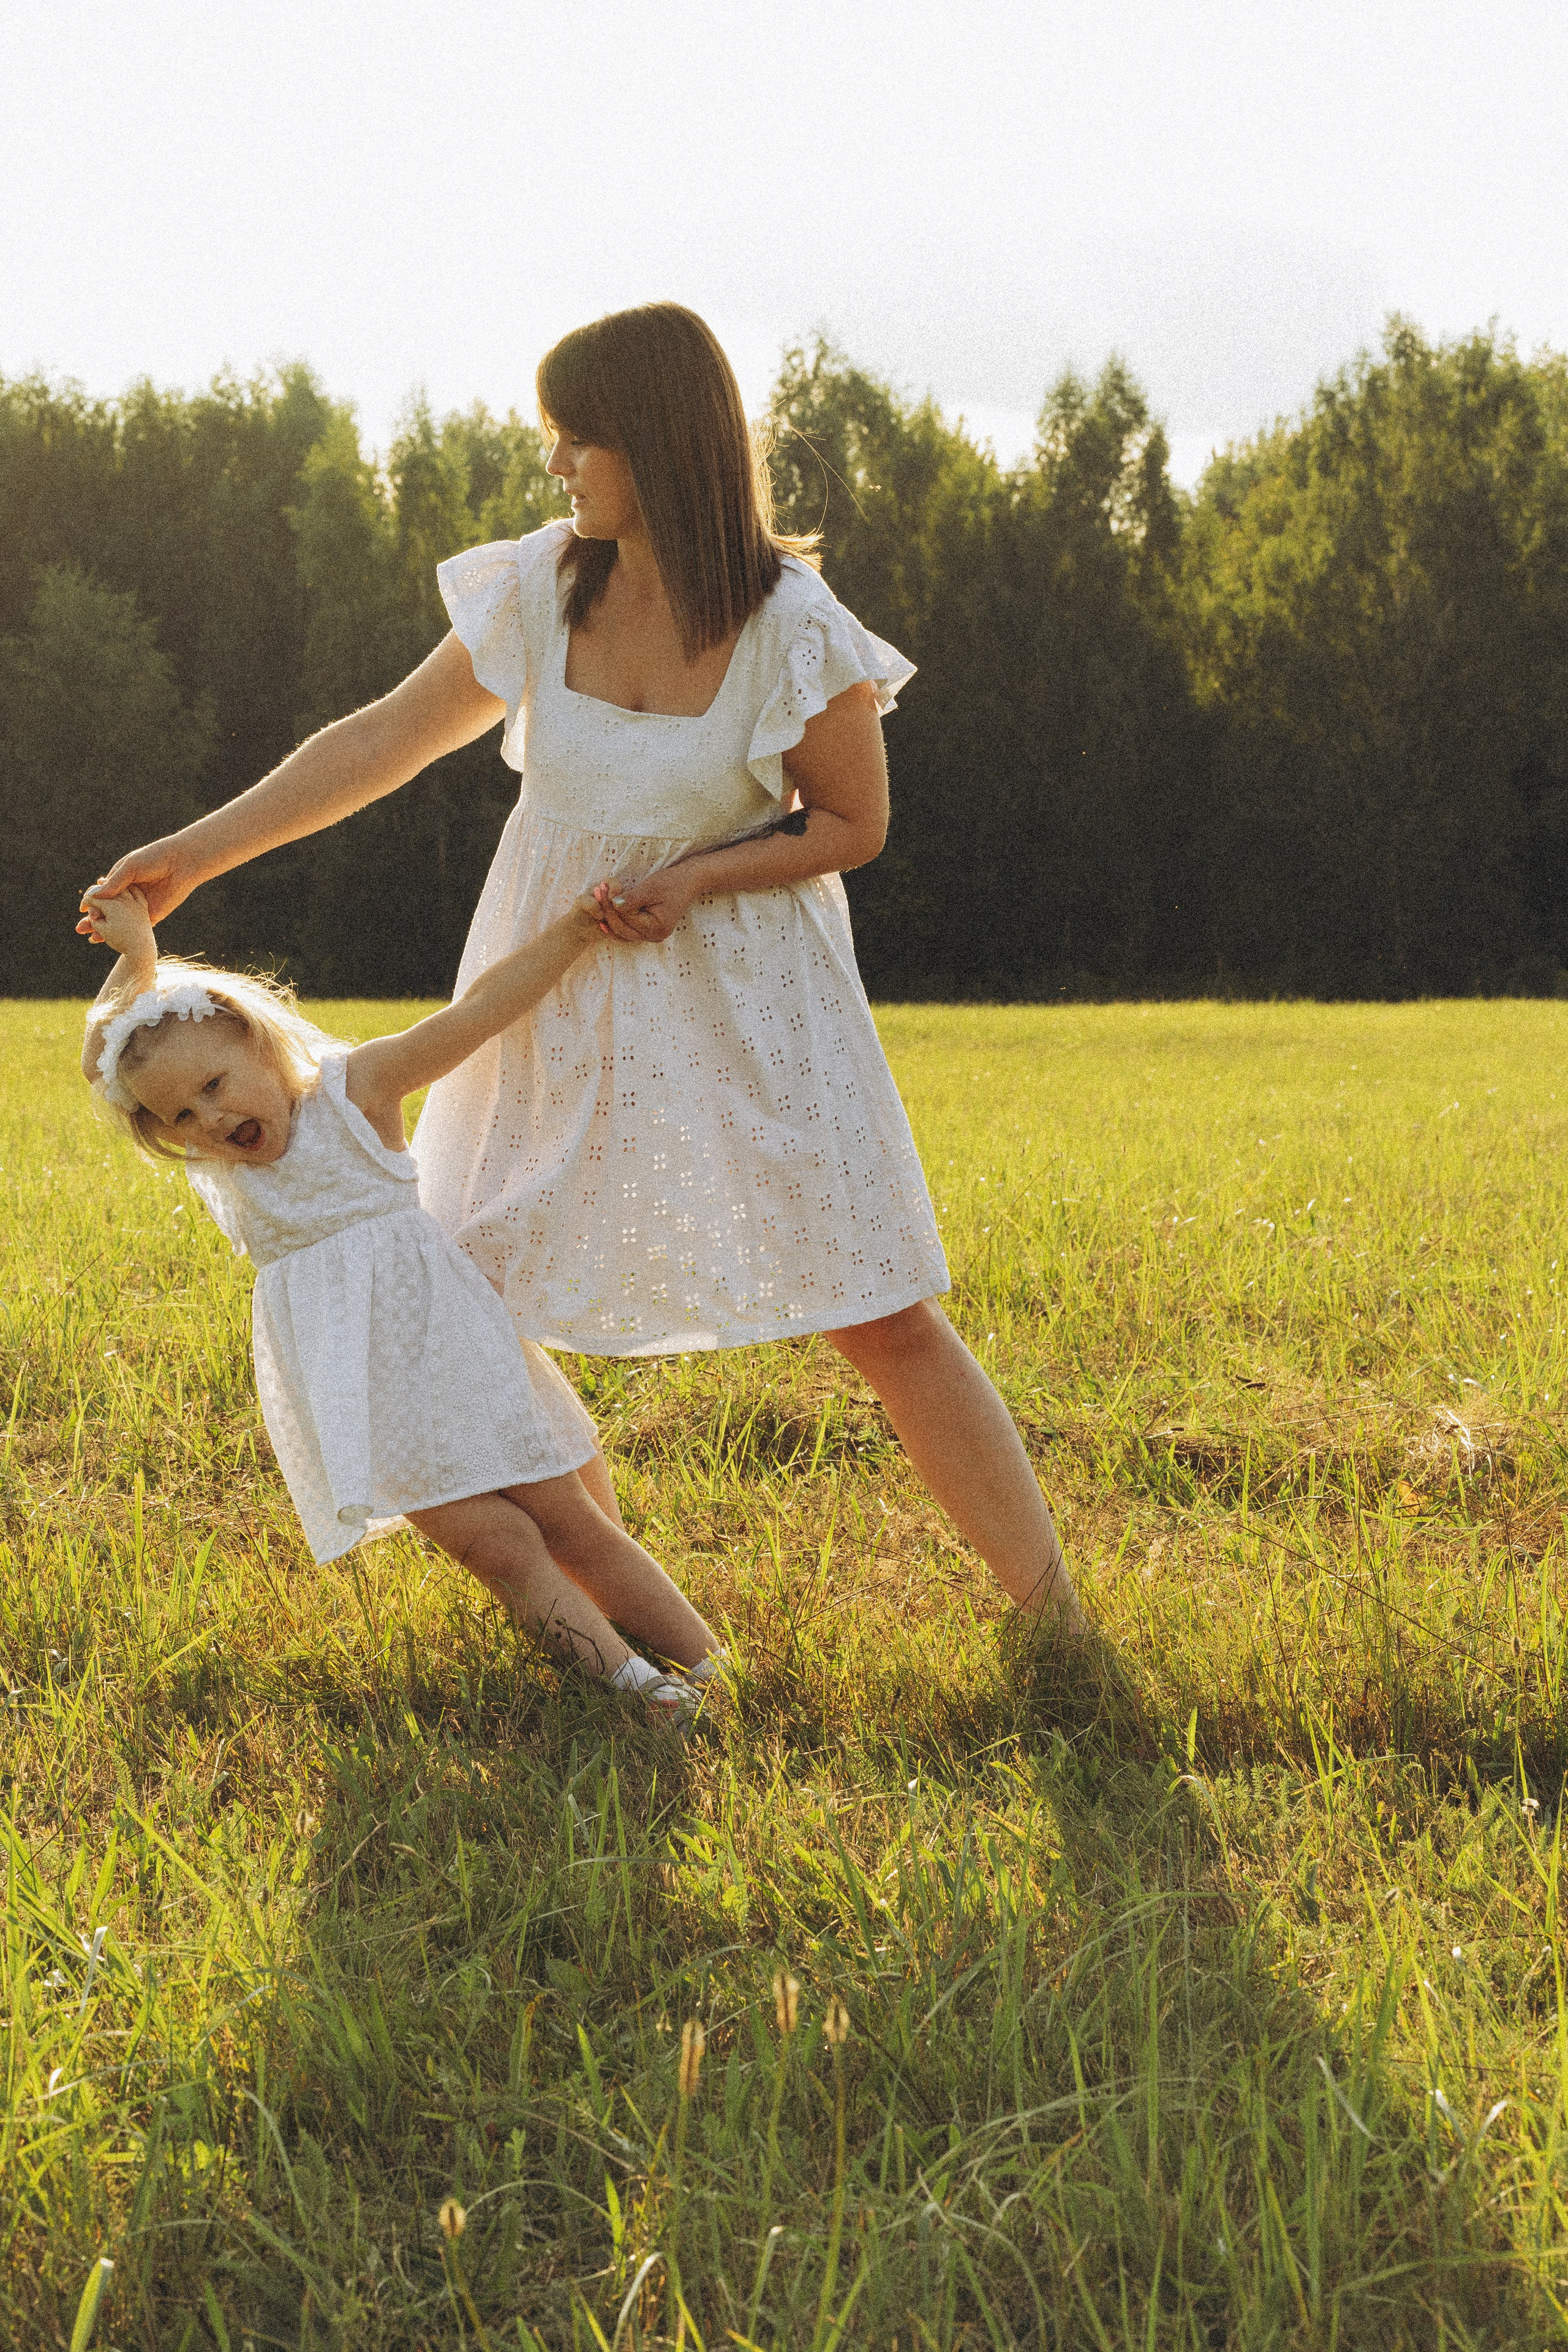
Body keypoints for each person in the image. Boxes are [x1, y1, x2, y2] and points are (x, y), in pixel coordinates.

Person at [81, 301, 1086, 1637]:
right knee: (478, 1284)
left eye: (576, 441)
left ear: (655, 443)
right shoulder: (544, 584)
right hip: (542, 982)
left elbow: (851, 826)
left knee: (875, 1304)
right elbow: (384, 739)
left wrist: (695, 876)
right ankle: (624, 1629)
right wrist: (196, 855)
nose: (557, 467)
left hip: (743, 997)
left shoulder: (791, 622)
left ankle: (1052, 1618)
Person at [78, 883, 722, 1722]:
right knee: (498, 1547)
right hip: (366, 1396)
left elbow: (481, 1013)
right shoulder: (222, 1167)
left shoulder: (353, 1095)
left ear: (255, 1040)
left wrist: (574, 931)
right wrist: (138, 962)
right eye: (182, 1114)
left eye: (215, 1083)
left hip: (454, 1351)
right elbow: (102, 1060)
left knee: (568, 1522)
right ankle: (637, 1690)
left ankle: (710, 1667)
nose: (208, 1116)